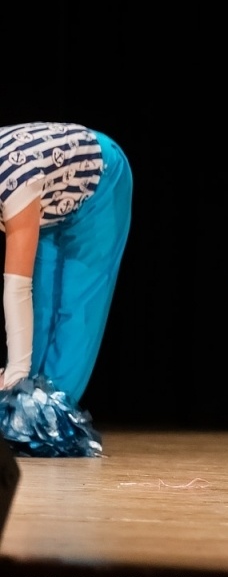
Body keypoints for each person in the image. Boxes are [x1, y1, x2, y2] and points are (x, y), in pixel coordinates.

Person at [1, 122, 133, 409]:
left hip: (101, 182)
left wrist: (15, 373)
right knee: (43, 306)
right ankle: (21, 404)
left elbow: (16, 286)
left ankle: (47, 415)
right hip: (51, 195)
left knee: (75, 308)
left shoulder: (13, 182)